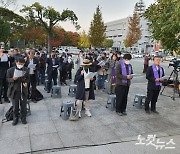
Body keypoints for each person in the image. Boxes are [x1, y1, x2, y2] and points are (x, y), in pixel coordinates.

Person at [6, 57, 29, 125]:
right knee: (15, 106)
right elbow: (7, 79)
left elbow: (28, 78)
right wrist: (13, 79)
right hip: (14, 90)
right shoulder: (10, 70)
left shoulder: (26, 69)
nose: (20, 65)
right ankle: (15, 118)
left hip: (23, 90)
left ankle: (23, 118)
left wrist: (26, 83)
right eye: (19, 64)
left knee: (23, 106)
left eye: (22, 64)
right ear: (16, 62)